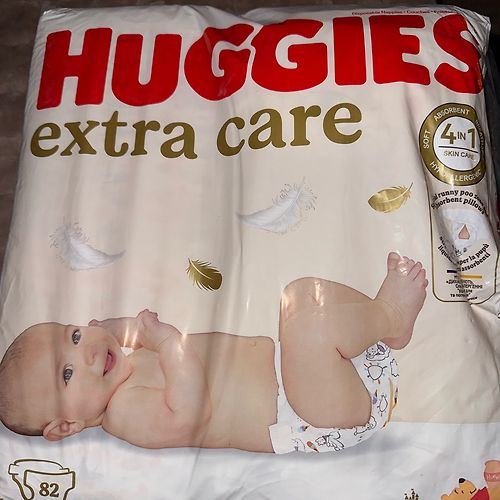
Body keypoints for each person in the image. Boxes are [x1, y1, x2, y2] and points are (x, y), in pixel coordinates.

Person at [0, 252, 427, 453]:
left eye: (75, 336)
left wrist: (115, 328)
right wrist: (167, 342)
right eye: (67, 374)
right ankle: (390, 315)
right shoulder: (124, 413)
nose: (88, 353)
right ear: (67, 425)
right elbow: (188, 414)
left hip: (323, 377)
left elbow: (127, 332)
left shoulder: (124, 364)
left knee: (299, 294)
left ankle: (379, 326)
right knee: (307, 332)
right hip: (311, 416)